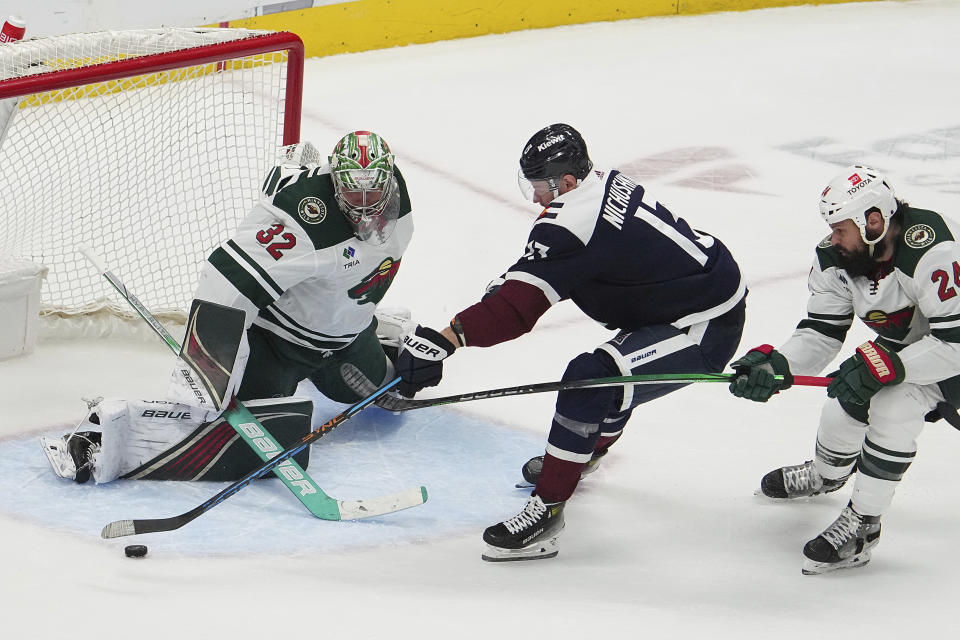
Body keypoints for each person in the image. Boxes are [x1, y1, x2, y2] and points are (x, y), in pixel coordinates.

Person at [394, 123, 747, 561]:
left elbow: (516, 311)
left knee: (590, 381)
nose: (536, 196)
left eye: (540, 186)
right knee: (614, 378)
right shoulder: (598, 187)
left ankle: (547, 511)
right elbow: (538, 272)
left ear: (566, 182)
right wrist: (504, 289)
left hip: (703, 323)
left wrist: (446, 339)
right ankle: (582, 454)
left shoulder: (572, 223)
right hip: (684, 298)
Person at [42, 131, 416, 484]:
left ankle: (383, 332)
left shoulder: (397, 194)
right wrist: (206, 371)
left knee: (377, 389)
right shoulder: (304, 223)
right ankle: (100, 440)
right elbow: (226, 279)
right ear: (335, 181)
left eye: (374, 191)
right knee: (233, 432)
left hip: (348, 337)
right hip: (278, 344)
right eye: (353, 193)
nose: (366, 205)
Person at [728, 165, 960, 575]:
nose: (833, 238)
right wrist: (777, 364)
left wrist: (887, 366)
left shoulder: (933, 249)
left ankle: (863, 522)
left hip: (952, 350)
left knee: (890, 406)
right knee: (848, 400)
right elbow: (821, 333)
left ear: (874, 221)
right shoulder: (837, 258)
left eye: (841, 229)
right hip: (914, 347)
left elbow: (955, 345)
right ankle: (832, 483)